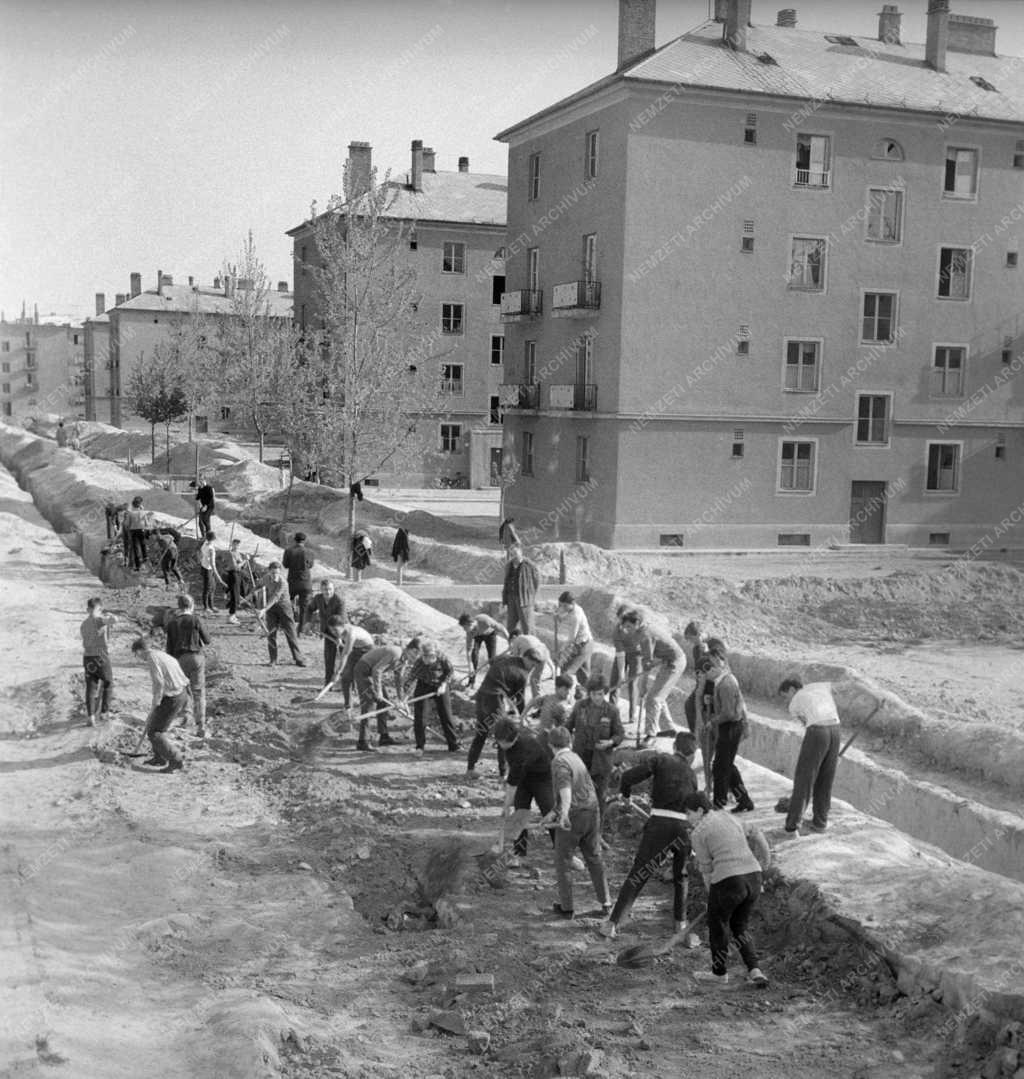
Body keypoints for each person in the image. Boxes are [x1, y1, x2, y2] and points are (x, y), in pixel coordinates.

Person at [599, 731, 701, 939]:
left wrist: (626, 796)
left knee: (640, 873)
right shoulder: (692, 775)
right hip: (683, 829)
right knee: (681, 876)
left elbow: (628, 777)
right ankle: (680, 924)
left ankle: (612, 923)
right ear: (691, 755)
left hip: (659, 824)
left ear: (674, 747)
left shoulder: (662, 759)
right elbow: (694, 807)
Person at [684, 792, 770, 987]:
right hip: (754, 877)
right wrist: (765, 862)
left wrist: (712, 896)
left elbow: (707, 869)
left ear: (699, 810)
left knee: (718, 925)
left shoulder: (697, 833)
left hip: (729, 880)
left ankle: (719, 974)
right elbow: (756, 833)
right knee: (740, 926)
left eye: (689, 814)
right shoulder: (728, 817)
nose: (687, 819)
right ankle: (755, 969)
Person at [547, 725, 611, 918]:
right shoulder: (576, 758)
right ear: (570, 742)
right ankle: (606, 902)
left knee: (563, 860)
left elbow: (566, 790)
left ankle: (567, 908)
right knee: (594, 857)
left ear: (550, 745)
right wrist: (554, 811)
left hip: (574, 815)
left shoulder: (559, 762)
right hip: (592, 811)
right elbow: (583, 787)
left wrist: (563, 814)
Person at [778, 677, 841, 836]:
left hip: (818, 732)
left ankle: (792, 827)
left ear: (792, 689)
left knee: (804, 779)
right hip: (836, 730)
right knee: (825, 779)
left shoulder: (795, 703)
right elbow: (841, 688)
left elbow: (806, 723)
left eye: (786, 696)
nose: (787, 701)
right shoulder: (819, 685)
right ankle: (820, 823)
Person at [466, 649, 543, 779]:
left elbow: (510, 693)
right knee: (504, 734)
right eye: (532, 664)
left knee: (481, 733)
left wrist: (513, 710)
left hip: (481, 696)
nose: (533, 668)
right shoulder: (522, 673)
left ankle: (470, 769)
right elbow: (519, 699)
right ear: (526, 658)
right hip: (493, 700)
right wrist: (522, 717)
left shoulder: (508, 659)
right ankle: (504, 774)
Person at [493, 716, 555, 861]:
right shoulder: (508, 745)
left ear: (510, 739)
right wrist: (509, 805)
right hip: (524, 779)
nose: (499, 744)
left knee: (549, 809)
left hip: (542, 777)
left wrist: (506, 805)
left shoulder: (522, 751)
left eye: (501, 742)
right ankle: (519, 851)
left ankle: (561, 848)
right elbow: (513, 778)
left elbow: (512, 784)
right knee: (520, 811)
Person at [619, 609, 685, 743]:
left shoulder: (645, 636)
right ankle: (669, 728)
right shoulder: (641, 632)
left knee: (653, 698)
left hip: (675, 662)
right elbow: (648, 661)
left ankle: (651, 734)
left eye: (629, 627)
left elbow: (647, 664)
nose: (626, 630)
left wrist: (642, 685)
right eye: (625, 627)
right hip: (666, 660)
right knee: (659, 695)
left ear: (637, 623)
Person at [565, 674, 624, 820]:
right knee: (577, 794)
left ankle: (596, 831)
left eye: (599, 694)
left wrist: (610, 742)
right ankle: (576, 825)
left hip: (601, 761)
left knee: (599, 797)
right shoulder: (580, 706)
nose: (595, 697)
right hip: (580, 758)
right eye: (592, 693)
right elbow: (568, 726)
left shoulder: (611, 711)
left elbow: (619, 734)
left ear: (604, 693)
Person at [130, 637, 190, 773]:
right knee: (153, 725)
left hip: (172, 697)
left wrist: (155, 703)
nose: (138, 658)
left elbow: (159, 683)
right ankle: (159, 758)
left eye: (136, 655)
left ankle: (176, 760)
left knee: (155, 732)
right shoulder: (161, 654)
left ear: (140, 651)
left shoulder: (152, 658)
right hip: (180, 693)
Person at [705, 652, 754, 813]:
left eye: (708, 670)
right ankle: (744, 800)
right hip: (730, 726)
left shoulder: (726, 684)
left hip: (731, 727)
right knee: (726, 765)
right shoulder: (723, 681)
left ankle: (718, 804)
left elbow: (729, 713)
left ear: (717, 666)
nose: (706, 675)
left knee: (720, 767)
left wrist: (712, 721)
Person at [352, 639, 420, 751]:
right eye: (416, 653)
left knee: (383, 703)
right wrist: (378, 691)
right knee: (369, 704)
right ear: (411, 649)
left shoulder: (404, 660)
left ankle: (384, 737)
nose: (417, 657)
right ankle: (362, 742)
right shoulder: (396, 653)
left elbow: (399, 680)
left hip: (371, 672)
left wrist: (402, 700)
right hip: (363, 670)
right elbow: (377, 670)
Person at [164, 594, 211, 739]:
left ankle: (186, 717)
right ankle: (201, 724)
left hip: (179, 659)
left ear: (179, 606)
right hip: (196, 657)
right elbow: (207, 640)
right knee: (199, 691)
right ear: (191, 606)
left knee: (183, 690)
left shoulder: (172, 623)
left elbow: (169, 648)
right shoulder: (196, 619)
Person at [405, 638, 460, 752]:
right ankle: (420, 746)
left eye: (430, 656)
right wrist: (404, 698)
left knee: (446, 715)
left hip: (440, 686)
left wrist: (444, 684)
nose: (427, 659)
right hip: (423, 686)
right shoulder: (419, 662)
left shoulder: (442, 658)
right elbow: (411, 679)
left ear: (435, 654)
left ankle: (454, 745)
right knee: (420, 718)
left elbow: (450, 671)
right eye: (425, 656)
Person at [258, 561, 306, 667]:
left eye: (277, 573)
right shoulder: (266, 578)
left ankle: (298, 658)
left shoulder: (283, 582)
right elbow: (259, 585)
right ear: (269, 571)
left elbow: (276, 596)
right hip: (271, 609)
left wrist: (264, 609)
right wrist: (249, 595)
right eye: (273, 573)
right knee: (271, 633)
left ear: (280, 573)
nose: (275, 576)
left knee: (291, 633)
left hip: (285, 608)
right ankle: (273, 660)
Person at [81, 597, 116, 726]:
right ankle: (104, 713)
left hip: (87, 658)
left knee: (91, 687)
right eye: (99, 609)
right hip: (101, 657)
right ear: (99, 608)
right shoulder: (99, 620)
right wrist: (110, 615)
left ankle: (90, 716)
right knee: (108, 683)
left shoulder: (84, 624)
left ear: (87, 609)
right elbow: (114, 620)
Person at [327, 617, 375, 705]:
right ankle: (348, 705)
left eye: (335, 630)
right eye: (331, 630)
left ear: (342, 626)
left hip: (367, 650)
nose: (333, 633)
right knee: (345, 677)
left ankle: (368, 703)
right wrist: (339, 638)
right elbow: (341, 636)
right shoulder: (342, 629)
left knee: (360, 676)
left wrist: (337, 673)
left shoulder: (351, 634)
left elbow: (345, 654)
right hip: (356, 649)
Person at [610, 604, 643, 728]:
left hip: (636, 655)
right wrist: (621, 674)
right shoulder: (617, 631)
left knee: (632, 684)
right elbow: (620, 654)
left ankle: (632, 715)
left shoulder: (638, 627)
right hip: (621, 654)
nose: (624, 625)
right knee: (615, 681)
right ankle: (612, 712)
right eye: (620, 620)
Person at [554, 591, 594, 692]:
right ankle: (590, 693)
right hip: (580, 644)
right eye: (560, 605)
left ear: (572, 604)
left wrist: (561, 650)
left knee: (566, 673)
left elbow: (572, 638)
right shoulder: (572, 609)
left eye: (564, 605)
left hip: (584, 645)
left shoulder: (576, 615)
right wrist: (558, 617)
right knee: (584, 676)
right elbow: (563, 616)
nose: (562, 608)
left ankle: (565, 695)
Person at [525, 673, 575, 752]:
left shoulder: (566, 704)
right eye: (565, 689)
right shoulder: (548, 698)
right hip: (543, 735)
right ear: (557, 688)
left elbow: (566, 725)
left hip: (556, 740)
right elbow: (534, 701)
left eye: (569, 689)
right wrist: (523, 716)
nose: (568, 692)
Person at [306, 579, 346, 676]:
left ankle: (347, 683)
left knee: (344, 658)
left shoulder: (339, 601)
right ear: (321, 590)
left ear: (333, 589)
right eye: (325, 590)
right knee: (329, 658)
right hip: (327, 632)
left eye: (330, 589)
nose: (328, 592)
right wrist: (308, 622)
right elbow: (309, 608)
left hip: (342, 632)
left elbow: (341, 621)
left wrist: (339, 638)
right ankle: (328, 682)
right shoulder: (318, 598)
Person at [458, 612, 509, 686]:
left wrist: (510, 641)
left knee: (492, 659)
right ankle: (471, 682)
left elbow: (502, 628)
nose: (464, 630)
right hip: (477, 637)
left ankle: (496, 682)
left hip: (490, 634)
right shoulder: (469, 632)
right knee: (474, 656)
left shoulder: (484, 620)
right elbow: (468, 651)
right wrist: (470, 667)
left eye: (465, 627)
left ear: (470, 624)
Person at [502, 544, 539, 634]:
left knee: (527, 625)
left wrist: (531, 595)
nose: (514, 556)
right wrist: (505, 599)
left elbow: (536, 581)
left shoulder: (529, 565)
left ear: (521, 553)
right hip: (511, 598)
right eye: (512, 554)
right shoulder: (509, 565)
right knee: (511, 625)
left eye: (516, 553)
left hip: (524, 599)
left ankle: (530, 644)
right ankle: (512, 644)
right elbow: (506, 582)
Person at [283, 532, 315, 634]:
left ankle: (288, 627)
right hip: (305, 583)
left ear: (294, 540)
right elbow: (310, 565)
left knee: (287, 604)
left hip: (292, 582)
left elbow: (285, 565)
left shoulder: (288, 551)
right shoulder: (309, 552)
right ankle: (300, 630)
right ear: (304, 541)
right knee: (304, 608)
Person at [508, 630, 553, 701]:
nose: (512, 644)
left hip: (535, 655)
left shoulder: (517, 640)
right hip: (544, 653)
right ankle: (537, 699)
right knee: (535, 679)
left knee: (522, 676)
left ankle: (518, 695)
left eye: (511, 641)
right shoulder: (529, 636)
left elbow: (515, 658)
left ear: (514, 637)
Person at [683, 622, 710, 734]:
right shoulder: (696, 649)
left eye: (691, 638)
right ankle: (694, 735)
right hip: (701, 685)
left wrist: (708, 653)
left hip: (711, 686)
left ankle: (700, 737)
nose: (690, 642)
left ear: (699, 634)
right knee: (689, 706)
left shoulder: (712, 644)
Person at [198, 531, 225, 613]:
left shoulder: (205, 543)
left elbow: (201, 553)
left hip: (204, 567)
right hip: (208, 569)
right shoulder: (211, 549)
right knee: (208, 588)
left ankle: (211, 605)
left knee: (212, 587)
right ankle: (206, 607)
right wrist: (218, 576)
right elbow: (213, 564)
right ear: (212, 539)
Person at [125, 496, 150, 571]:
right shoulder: (143, 512)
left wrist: (128, 529)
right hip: (142, 530)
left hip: (133, 531)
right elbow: (147, 523)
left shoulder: (130, 513)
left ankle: (138, 566)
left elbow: (127, 524)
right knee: (143, 544)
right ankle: (145, 557)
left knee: (135, 548)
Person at [224, 539, 245, 624]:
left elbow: (242, 567)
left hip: (239, 574)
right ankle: (231, 616)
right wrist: (245, 561)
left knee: (238, 595)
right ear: (232, 544)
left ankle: (233, 615)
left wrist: (245, 561)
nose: (236, 546)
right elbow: (235, 566)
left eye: (238, 544)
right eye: (235, 544)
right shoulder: (230, 553)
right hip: (233, 575)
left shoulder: (238, 553)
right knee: (234, 596)